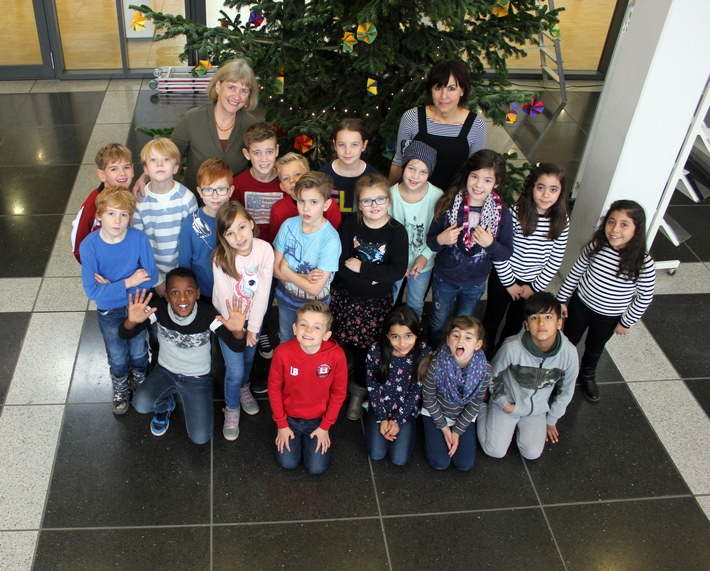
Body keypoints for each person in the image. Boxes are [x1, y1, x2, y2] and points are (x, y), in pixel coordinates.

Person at [120, 269, 248, 443]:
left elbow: (237, 346)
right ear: (166, 295)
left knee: (201, 438)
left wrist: (237, 332)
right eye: (174, 293)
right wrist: (131, 321)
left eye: (188, 292)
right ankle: (166, 406)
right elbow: (125, 333)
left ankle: (178, 400)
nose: (182, 298)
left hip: (197, 378)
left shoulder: (207, 314)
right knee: (140, 404)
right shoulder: (158, 310)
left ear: (197, 293)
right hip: (165, 372)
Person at [557, 199, 655, 403]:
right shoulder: (597, 245)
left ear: (637, 230)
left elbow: (645, 296)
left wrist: (626, 322)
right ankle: (561, 370)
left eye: (624, 224)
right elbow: (576, 271)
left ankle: (588, 374)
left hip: (609, 316)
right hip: (581, 304)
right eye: (611, 222)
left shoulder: (643, 263)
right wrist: (562, 299)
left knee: (595, 347)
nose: (615, 229)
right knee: (569, 340)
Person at [329, 174, 408, 420]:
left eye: (380, 199)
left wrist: (362, 268)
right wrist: (374, 276)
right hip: (345, 297)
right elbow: (339, 263)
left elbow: (396, 270)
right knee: (341, 343)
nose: (374, 206)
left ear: (389, 200)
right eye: (367, 201)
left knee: (367, 349)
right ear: (358, 203)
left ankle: (358, 391)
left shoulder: (396, 232)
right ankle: (338, 382)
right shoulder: (351, 224)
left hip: (375, 305)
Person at [79, 187, 158, 414]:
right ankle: (121, 383)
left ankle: (140, 379)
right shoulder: (89, 246)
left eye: (124, 215)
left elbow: (150, 277)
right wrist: (129, 282)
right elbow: (93, 292)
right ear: (99, 215)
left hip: (137, 306)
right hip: (109, 311)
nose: (117, 220)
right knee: (117, 353)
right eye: (111, 213)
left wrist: (111, 287)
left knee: (139, 350)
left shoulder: (138, 238)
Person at [426, 149, 513, 349]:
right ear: (467, 175)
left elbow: (506, 252)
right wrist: (441, 238)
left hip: (475, 283)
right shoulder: (449, 204)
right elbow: (431, 242)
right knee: (439, 320)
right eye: (474, 176)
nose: (478, 184)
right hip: (445, 278)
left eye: (487, 180)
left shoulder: (502, 214)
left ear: (496, 183)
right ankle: (433, 352)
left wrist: (491, 244)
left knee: (464, 324)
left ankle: (456, 354)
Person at [477, 292, 578, 460]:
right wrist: (503, 403)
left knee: (532, 453)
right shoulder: (512, 347)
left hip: (536, 410)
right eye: (534, 318)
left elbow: (567, 390)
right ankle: (482, 407)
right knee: (494, 450)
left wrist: (551, 419)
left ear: (559, 323)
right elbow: (492, 375)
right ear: (526, 325)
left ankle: (516, 427)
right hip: (509, 403)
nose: (541, 323)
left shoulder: (569, 354)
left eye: (548, 317)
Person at [133, 59, 259, 193]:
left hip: (235, 202)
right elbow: (169, 156)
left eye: (244, 91)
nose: (237, 96)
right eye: (231, 87)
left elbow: (261, 162)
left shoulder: (251, 125)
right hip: (195, 200)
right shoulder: (191, 120)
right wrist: (144, 178)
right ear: (218, 87)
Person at [482, 162, 570, 354]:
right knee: (492, 317)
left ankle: (503, 353)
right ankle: (485, 352)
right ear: (532, 188)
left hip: (532, 283)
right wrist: (509, 283)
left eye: (553, 189)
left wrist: (534, 287)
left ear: (560, 192)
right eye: (541, 188)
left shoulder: (562, 221)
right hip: (504, 278)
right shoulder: (515, 213)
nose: (546, 195)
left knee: (515, 322)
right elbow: (500, 251)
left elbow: (555, 260)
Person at [212, 202, 274, 439]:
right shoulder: (220, 258)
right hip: (227, 321)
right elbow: (225, 298)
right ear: (223, 237)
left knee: (248, 360)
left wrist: (253, 328)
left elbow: (262, 292)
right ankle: (232, 407)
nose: (238, 237)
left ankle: (244, 389)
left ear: (251, 224)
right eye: (230, 233)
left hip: (252, 319)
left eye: (241, 227)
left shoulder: (264, 250)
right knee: (234, 369)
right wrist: (236, 327)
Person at [267, 301, 348, 475]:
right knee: (288, 463)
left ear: (326, 335)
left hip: (317, 420)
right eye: (303, 324)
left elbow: (339, 392)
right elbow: (273, 389)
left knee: (317, 468)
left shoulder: (336, 355)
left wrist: (325, 426)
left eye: (317, 327)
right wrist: (281, 424)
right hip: (289, 418)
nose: (309, 330)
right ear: (295, 329)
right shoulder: (282, 353)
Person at [388, 59, 487, 191]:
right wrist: (388, 198)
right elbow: (399, 161)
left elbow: (475, 171)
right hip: (413, 200)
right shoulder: (412, 118)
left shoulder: (476, 125)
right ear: (431, 90)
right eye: (438, 88)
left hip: (452, 202)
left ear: (462, 91)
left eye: (451, 88)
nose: (443, 96)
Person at [272, 172, 341, 344]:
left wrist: (286, 269)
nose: (306, 208)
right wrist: (304, 278)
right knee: (286, 338)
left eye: (314, 202)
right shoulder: (288, 225)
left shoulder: (330, 239)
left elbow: (315, 289)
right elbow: (274, 270)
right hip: (287, 300)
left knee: (311, 344)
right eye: (302, 201)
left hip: (315, 308)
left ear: (326, 205)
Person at [421, 316, 490, 471]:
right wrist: (444, 428)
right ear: (448, 340)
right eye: (456, 335)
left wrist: (457, 431)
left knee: (464, 464)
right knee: (440, 462)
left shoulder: (484, 371)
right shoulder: (436, 365)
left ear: (478, 345)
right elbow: (428, 397)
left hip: (462, 416)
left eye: (468, 337)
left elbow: (475, 403)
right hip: (436, 413)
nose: (461, 341)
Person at [365, 306, 430, 466]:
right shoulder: (375, 351)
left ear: (416, 333)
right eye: (395, 337)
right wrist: (382, 417)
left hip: (406, 410)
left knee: (399, 459)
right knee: (376, 454)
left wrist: (398, 420)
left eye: (408, 336)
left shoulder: (424, 353)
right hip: (380, 407)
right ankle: (370, 412)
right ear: (387, 335)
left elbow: (416, 391)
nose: (402, 343)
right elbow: (372, 387)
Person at [133, 138, 198, 297]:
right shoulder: (139, 202)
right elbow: (139, 244)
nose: (160, 164)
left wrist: (180, 276)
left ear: (176, 167)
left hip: (182, 270)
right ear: (146, 169)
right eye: (153, 160)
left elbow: (192, 241)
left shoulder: (187, 199)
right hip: (151, 272)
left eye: (166, 159)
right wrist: (157, 281)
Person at [388, 140, 443, 321]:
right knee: (389, 298)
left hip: (423, 262)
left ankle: (413, 336)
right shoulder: (390, 195)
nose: (415, 176)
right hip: (394, 262)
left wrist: (425, 255)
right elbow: (385, 234)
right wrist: (397, 262)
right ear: (403, 167)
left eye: (423, 171)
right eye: (411, 168)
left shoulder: (437, 196)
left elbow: (439, 233)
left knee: (416, 302)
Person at [178, 158, 234, 304]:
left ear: (231, 191)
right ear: (200, 192)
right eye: (208, 190)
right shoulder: (190, 222)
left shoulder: (237, 220)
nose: (215, 196)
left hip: (233, 291)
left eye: (221, 189)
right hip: (202, 293)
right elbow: (185, 262)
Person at [71, 143, 134, 263]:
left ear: (133, 169)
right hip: (104, 268)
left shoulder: (133, 196)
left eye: (126, 167)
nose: (122, 173)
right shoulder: (92, 205)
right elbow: (78, 245)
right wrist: (93, 268)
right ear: (102, 175)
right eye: (114, 169)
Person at [230, 122, 283, 243]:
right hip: (249, 252)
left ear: (277, 150)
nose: (264, 159)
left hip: (283, 252)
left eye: (269, 151)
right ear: (247, 154)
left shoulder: (286, 182)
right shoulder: (237, 185)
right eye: (257, 153)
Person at [270, 152, 342, 237]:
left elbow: (335, 236)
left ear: (309, 175)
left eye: (297, 174)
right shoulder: (278, 210)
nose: (292, 180)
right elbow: (275, 241)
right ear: (282, 187)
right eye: (286, 178)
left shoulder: (327, 204)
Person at [319, 118, 378, 215]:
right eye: (342, 145)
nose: (347, 151)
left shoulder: (372, 176)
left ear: (364, 145)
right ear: (334, 145)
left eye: (354, 145)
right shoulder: (323, 175)